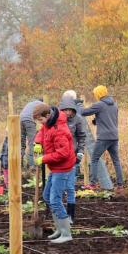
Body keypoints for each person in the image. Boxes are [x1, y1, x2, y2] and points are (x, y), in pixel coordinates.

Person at [32, 103, 76, 244]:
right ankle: (59, 229)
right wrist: (38, 143)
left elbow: (63, 153)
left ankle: (66, 233)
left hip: (63, 168)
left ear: (47, 115)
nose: (40, 123)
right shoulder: (49, 123)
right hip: (55, 167)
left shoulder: (59, 130)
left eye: (41, 119)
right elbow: (42, 131)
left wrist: (43, 158)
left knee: (55, 200)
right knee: (47, 196)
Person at [65, 89, 112, 190]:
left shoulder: (99, 105)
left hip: (97, 137)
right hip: (109, 136)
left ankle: (101, 184)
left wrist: (79, 105)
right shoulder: (111, 104)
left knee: (92, 158)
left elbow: (85, 113)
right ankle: (107, 185)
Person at [81, 85, 123, 190]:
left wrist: (77, 106)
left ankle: (93, 184)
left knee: (94, 159)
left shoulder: (99, 104)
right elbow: (109, 118)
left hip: (104, 137)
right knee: (116, 161)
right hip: (114, 136)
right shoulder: (114, 104)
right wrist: (97, 120)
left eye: (95, 94)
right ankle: (120, 185)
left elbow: (84, 112)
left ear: (98, 94)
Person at [55, 94, 87, 223]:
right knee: (57, 187)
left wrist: (80, 152)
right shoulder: (56, 120)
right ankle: (59, 215)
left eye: (70, 110)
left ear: (73, 109)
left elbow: (82, 137)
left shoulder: (78, 119)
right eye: (65, 110)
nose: (68, 112)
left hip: (72, 156)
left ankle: (70, 216)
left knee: (70, 186)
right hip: (58, 156)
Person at [19, 97, 44, 171]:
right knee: (32, 143)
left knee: (22, 143)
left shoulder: (30, 103)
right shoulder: (42, 104)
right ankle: (31, 165)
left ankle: (20, 164)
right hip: (29, 121)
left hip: (20, 120)